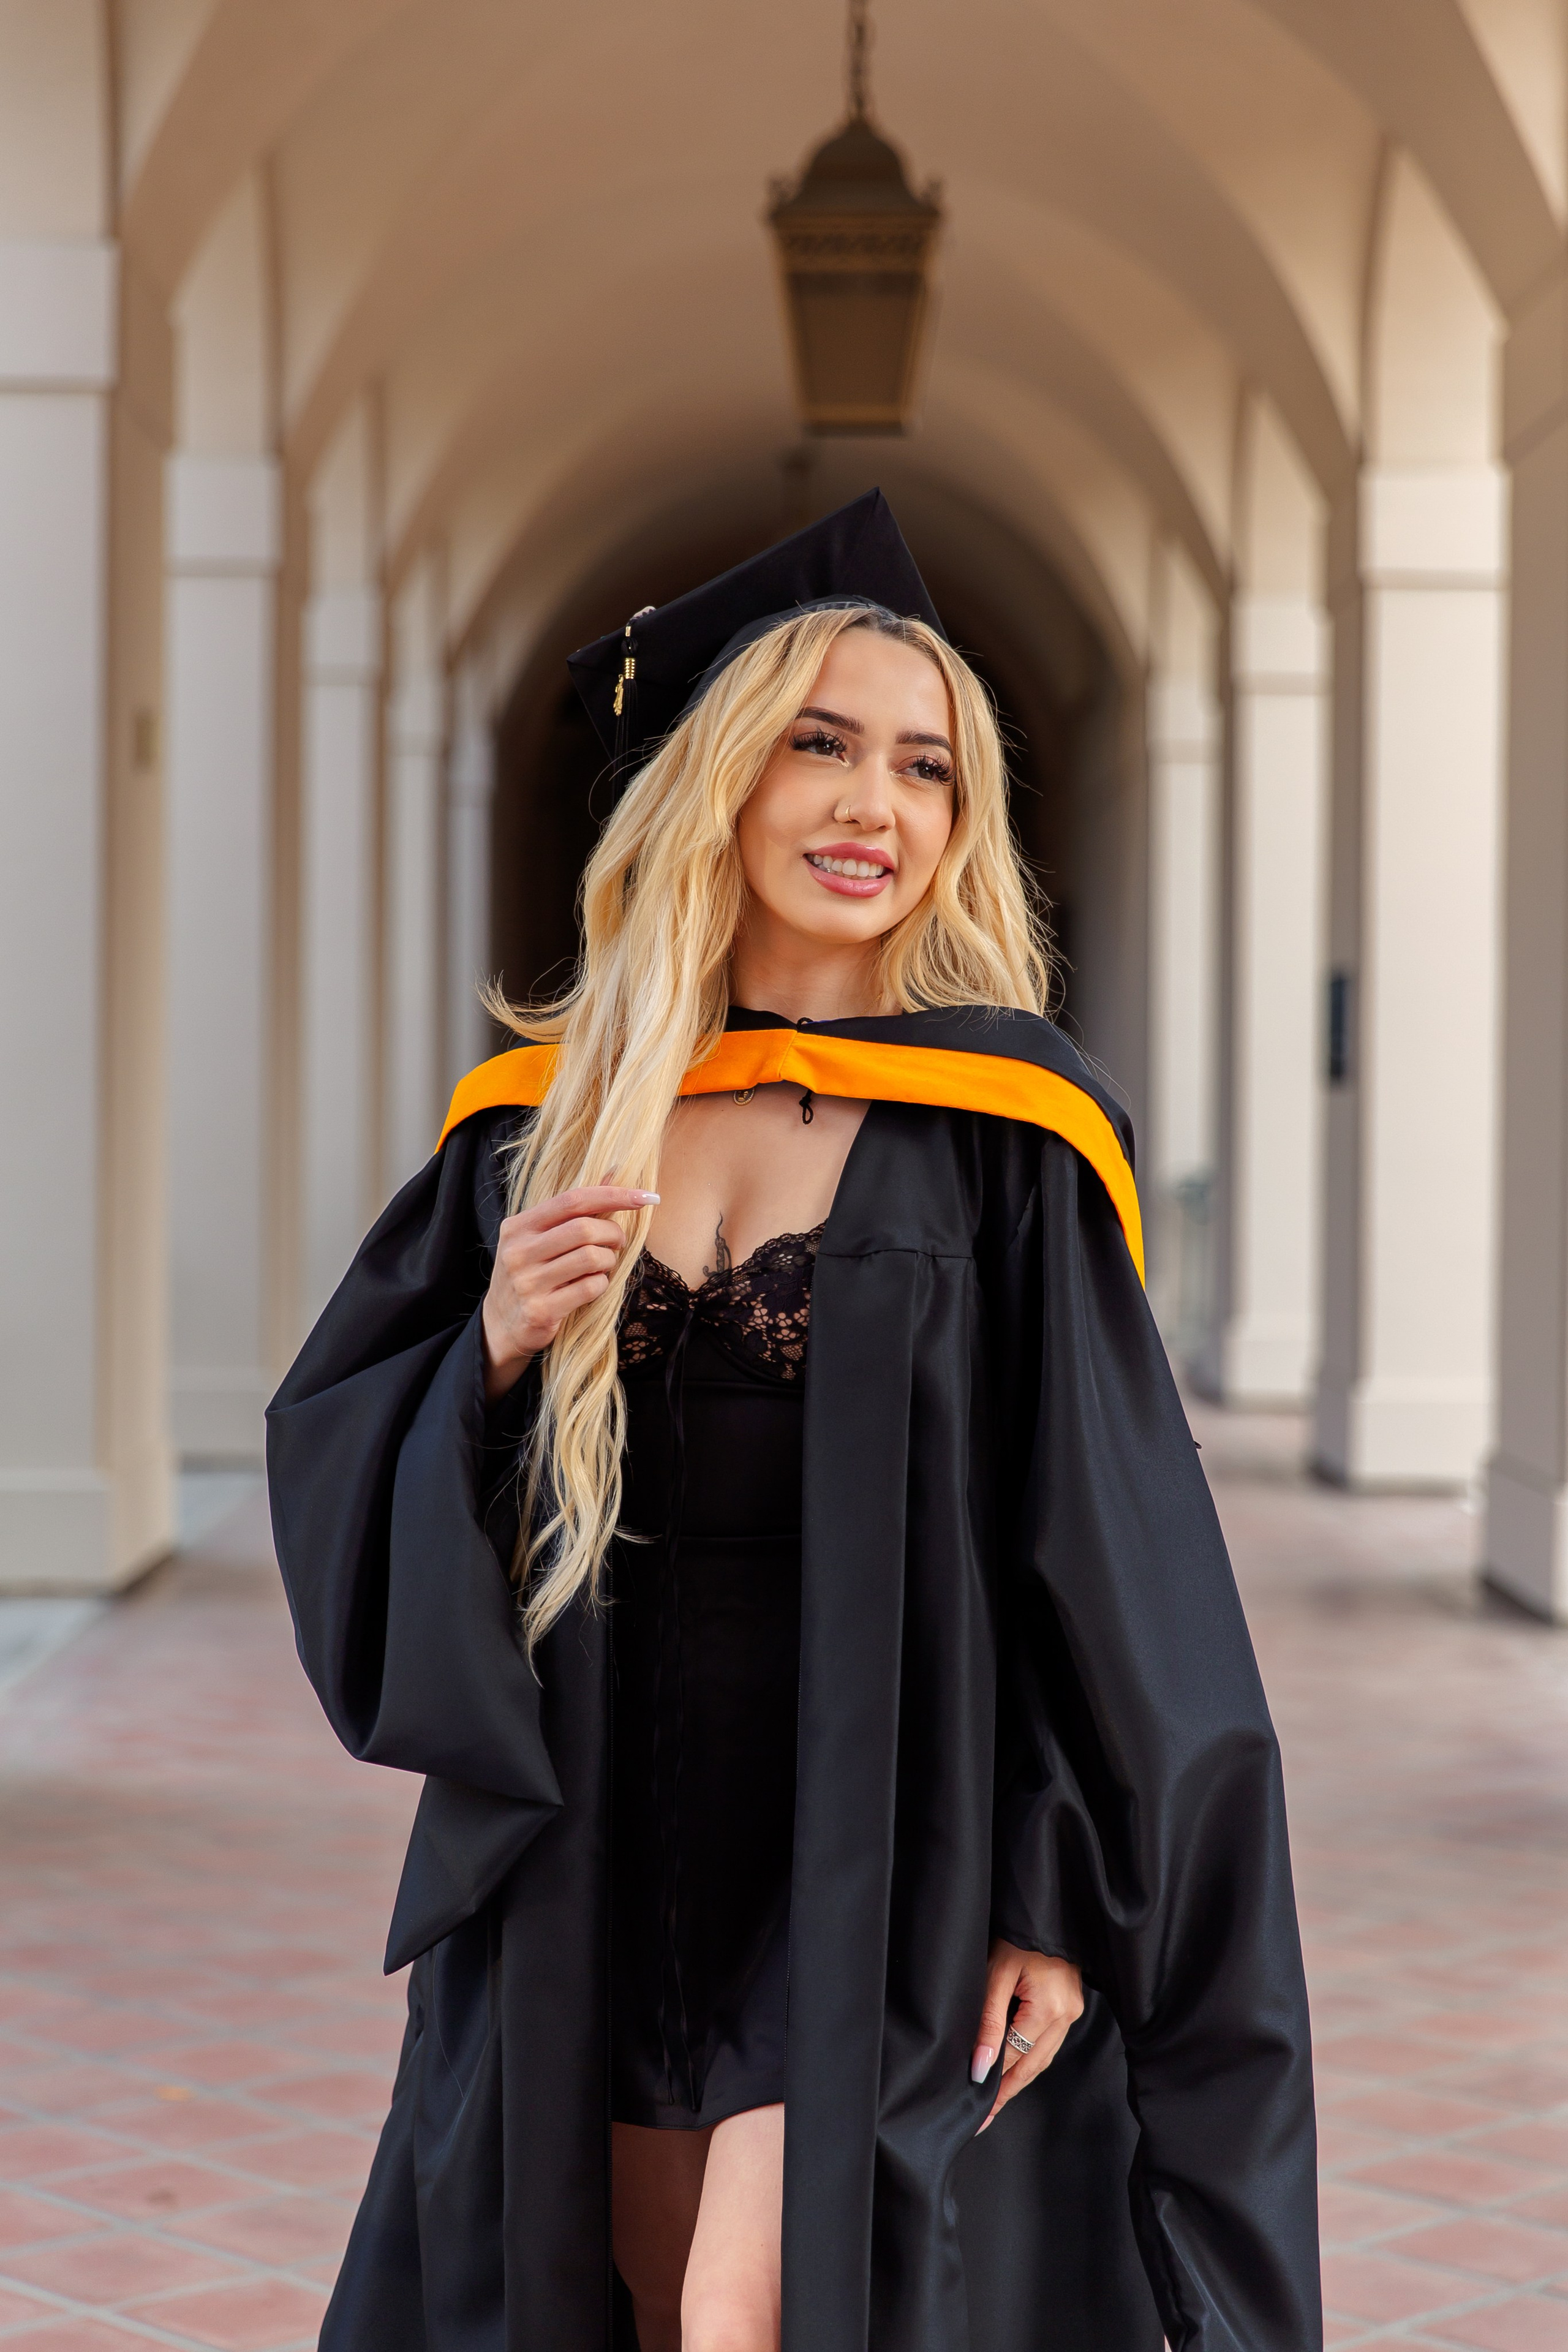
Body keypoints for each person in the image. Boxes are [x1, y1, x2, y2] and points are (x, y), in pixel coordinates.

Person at [268, 491, 1321, 2352]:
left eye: (925, 767)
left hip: (880, 1832)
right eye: (821, 746)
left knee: (762, 2309)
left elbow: (1097, 1557)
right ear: (719, 783)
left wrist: (1053, 1885)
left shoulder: (1007, 1148)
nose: (875, 807)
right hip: (594, 1830)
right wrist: (493, 1352)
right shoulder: (540, 1125)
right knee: (626, 2303)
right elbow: (344, 1457)